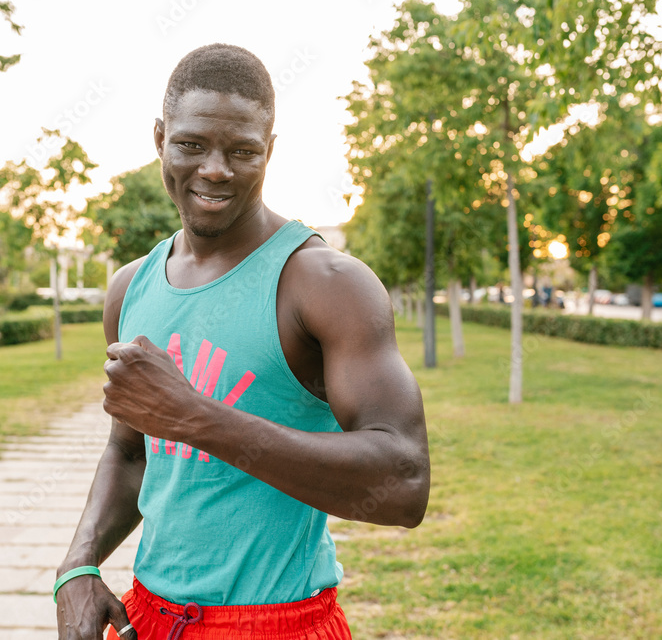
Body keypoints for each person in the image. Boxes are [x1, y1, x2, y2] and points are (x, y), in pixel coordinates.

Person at [54, 43, 430, 640]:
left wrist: (195, 418)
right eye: (191, 145)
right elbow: (130, 453)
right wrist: (79, 563)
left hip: (278, 623)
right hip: (150, 617)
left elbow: (404, 484)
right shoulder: (131, 288)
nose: (215, 170)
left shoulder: (326, 283)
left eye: (242, 151)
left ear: (269, 151)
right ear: (160, 139)